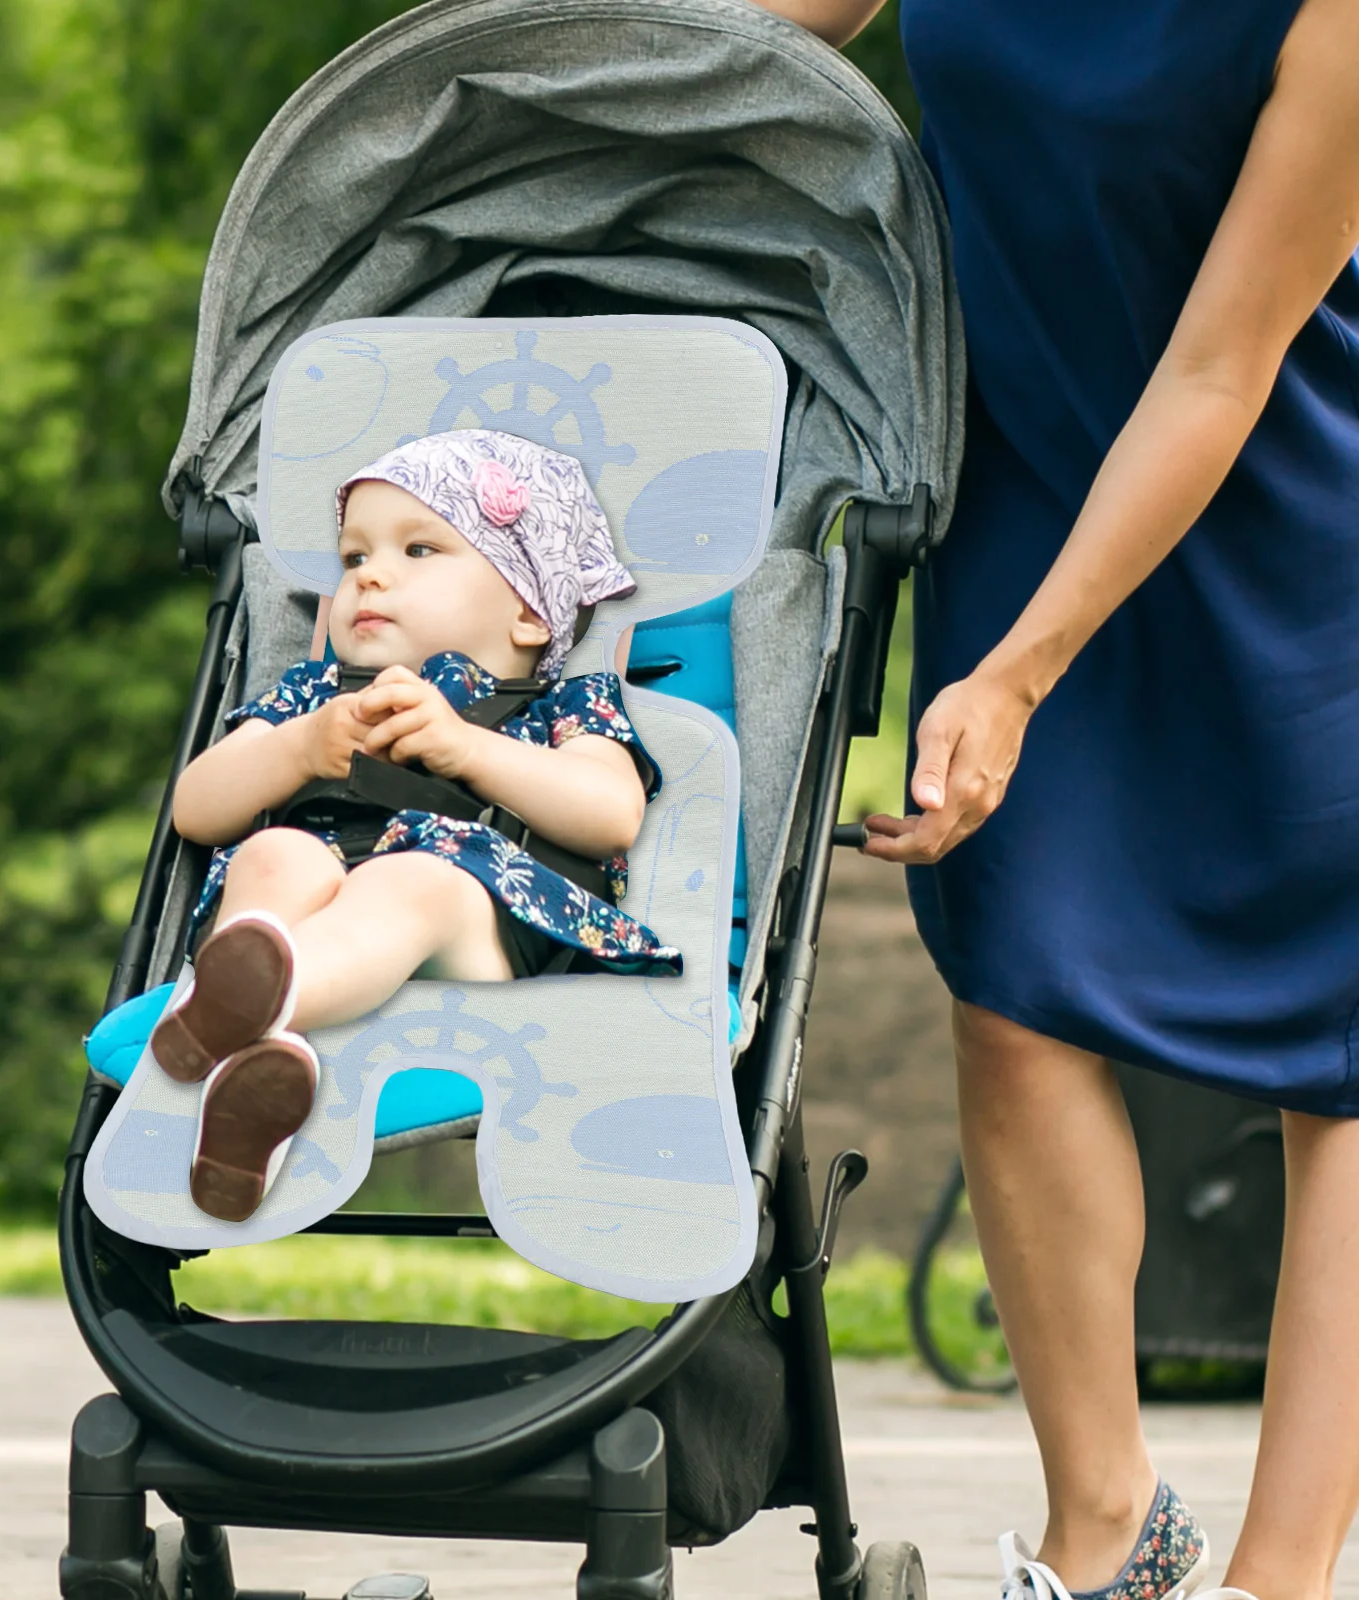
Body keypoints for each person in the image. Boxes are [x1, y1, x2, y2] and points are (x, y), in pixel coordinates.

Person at [753, 2, 1359, 1598]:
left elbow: (1225, 367)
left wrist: (1021, 673)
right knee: (1016, 979)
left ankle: (1283, 1577)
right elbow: (735, 35)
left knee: (1344, 1049)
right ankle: (1109, 1532)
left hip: (1289, 497)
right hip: (1024, 473)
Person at [162, 429, 680, 1223]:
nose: (370, 574)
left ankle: (239, 1006)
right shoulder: (313, 696)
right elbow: (196, 808)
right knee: (271, 853)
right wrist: (300, 748)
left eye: (419, 550)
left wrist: (466, 746)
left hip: (475, 928)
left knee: (413, 881)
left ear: (529, 613)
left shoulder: (565, 706)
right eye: (354, 557)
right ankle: (257, 1084)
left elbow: (611, 815)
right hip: (324, 894)